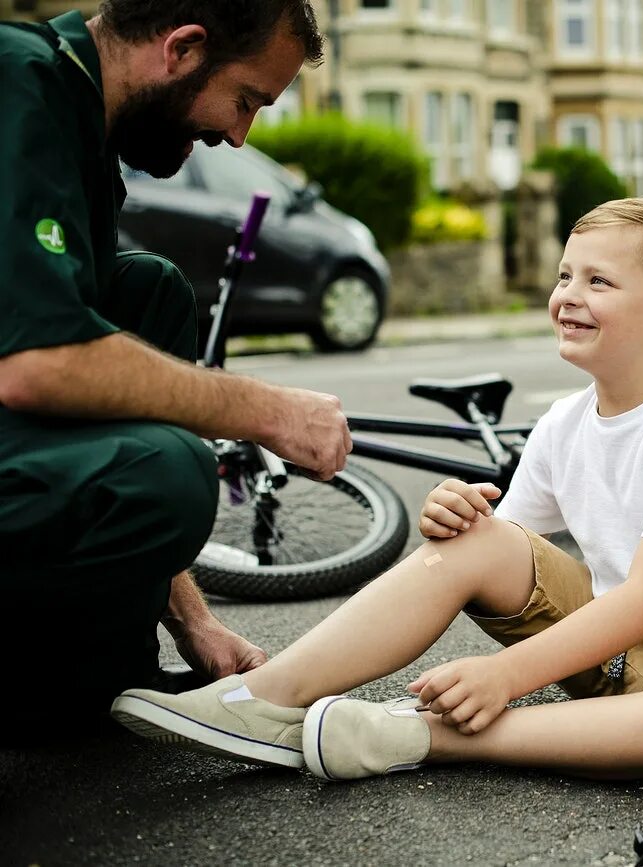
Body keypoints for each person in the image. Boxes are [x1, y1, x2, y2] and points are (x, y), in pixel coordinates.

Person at [111, 197, 643, 780]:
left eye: (599, 282)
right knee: (476, 535)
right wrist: (456, 520)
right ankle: (258, 699)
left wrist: (504, 678)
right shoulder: (567, 420)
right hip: (600, 643)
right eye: (564, 275)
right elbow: (503, 548)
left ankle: (418, 733)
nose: (567, 296)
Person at [0, 1, 352, 734]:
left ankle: (93, 681)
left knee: (147, 289)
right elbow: (34, 362)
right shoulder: (17, 84)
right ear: (184, 48)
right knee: (165, 472)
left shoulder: (83, 122)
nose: (237, 133)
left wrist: (195, 620)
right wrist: (268, 408)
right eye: (247, 99)